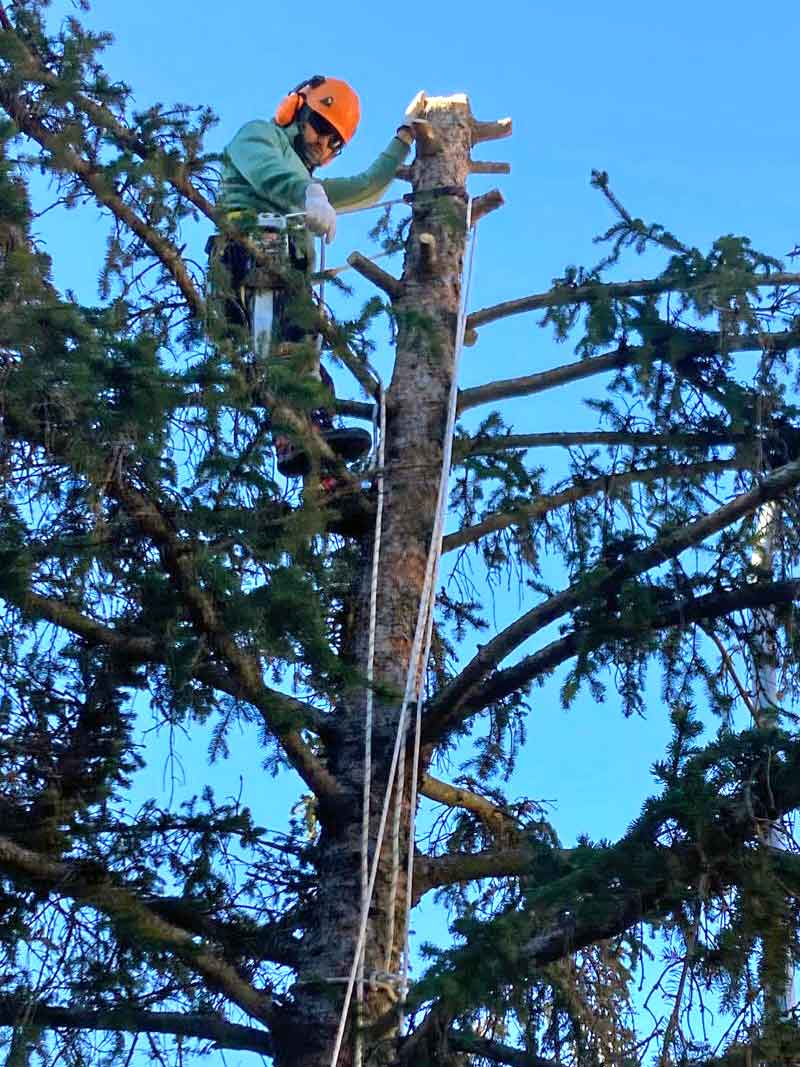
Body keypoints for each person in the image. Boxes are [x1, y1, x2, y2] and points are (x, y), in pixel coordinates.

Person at [214, 75, 417, 478]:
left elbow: (366, 187)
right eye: (321, 128)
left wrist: (405, 137)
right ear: (296, 110)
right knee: (290, 348)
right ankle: (296, 435)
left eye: (335, 143)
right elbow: (267, 172)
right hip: (249, 260)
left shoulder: (311, 183)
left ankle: (324, 478)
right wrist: (306, 193)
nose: (323, 145)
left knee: (313, 370)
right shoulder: (260, 136)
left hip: (281, 279)